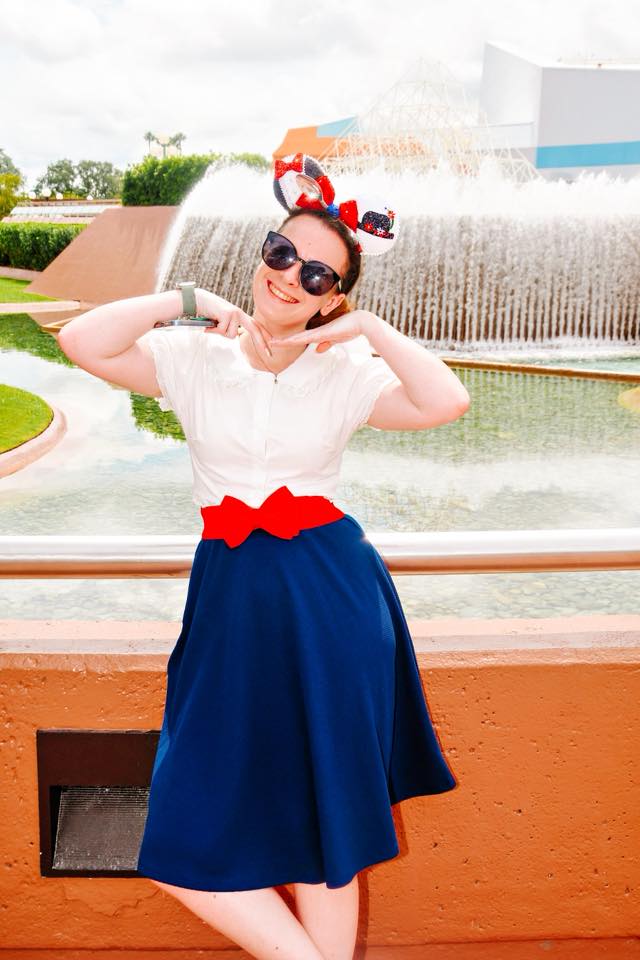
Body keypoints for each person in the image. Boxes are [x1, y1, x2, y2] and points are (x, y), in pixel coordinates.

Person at [57, 169, 470, 960]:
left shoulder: (347, 373)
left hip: (333, 598)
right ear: (263, 252)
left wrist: (369, 330)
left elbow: (445, 402)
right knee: (181, 838)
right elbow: (82, 342)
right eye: (282, 252)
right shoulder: (194, 359)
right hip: (232, 597)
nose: (291, 275)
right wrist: (188, 301)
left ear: (332, 296)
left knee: (327, 821)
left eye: (319, 274)